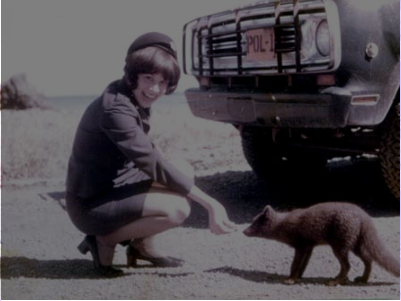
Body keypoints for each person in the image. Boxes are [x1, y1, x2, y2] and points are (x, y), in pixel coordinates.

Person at [65, 32, 237, 277]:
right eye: (148, 78)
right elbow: (151, 162)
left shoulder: (129, 95)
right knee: (177, 209)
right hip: (90, 205)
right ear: (133, 74)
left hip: (112, 188)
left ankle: (140, 246)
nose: (155, 89)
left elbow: (151, 158)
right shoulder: (115, 107)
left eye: (163, 82)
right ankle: (103, 239)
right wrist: (211, 204)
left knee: (183, 169)